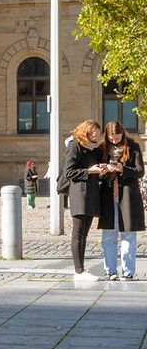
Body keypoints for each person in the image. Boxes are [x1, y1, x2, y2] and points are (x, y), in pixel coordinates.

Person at [97, 121, 144, 280]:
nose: (114, 141)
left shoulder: (133, 147)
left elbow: (140, 172)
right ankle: (110, 271)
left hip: (127, 196)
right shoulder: (102, 148)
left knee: (128, 235)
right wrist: (103, 169)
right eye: (111, 138)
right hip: (107, 196)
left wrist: (122, 169)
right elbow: (95, 170)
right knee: (108, 236)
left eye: (117, 138)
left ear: (122, 133)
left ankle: (128, 272)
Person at [64, 119, 105, 281]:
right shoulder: (75, 145)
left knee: (84, 234)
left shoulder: (92, 148)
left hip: (91, 193)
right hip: (80, 194)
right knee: (78, 233)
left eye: (98, 135)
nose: (96, 137)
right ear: (86, 132)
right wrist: (89, 171)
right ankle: (79, 271)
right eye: (94, 134)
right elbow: (69, 172)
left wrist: (100, 170)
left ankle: (80, 270)